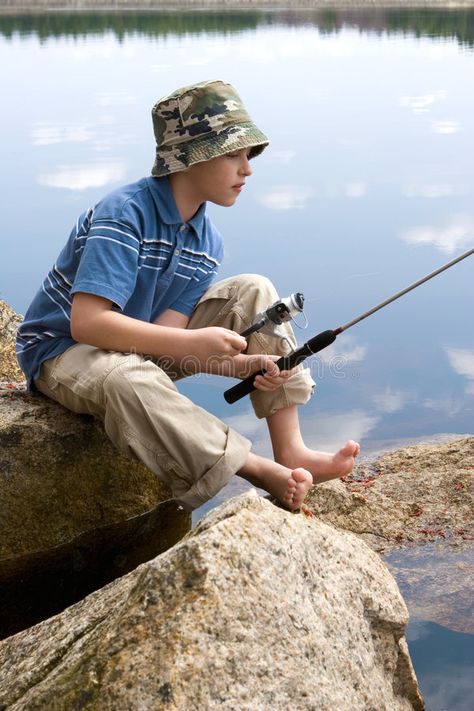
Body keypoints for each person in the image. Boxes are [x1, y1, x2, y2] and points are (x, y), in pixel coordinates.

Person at [16, 79, 359, 513]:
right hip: (63, 351)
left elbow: (168, 342)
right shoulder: (124, 213)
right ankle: (249, 466)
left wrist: (247, 365)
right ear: (187, 159)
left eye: (248, 155)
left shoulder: (207, 241)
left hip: (135, 348)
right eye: (233, 154)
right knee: (126, 378)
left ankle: (290, 449)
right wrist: (197, 346)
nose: (247, 169)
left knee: (254, 289)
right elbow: (88, 323)